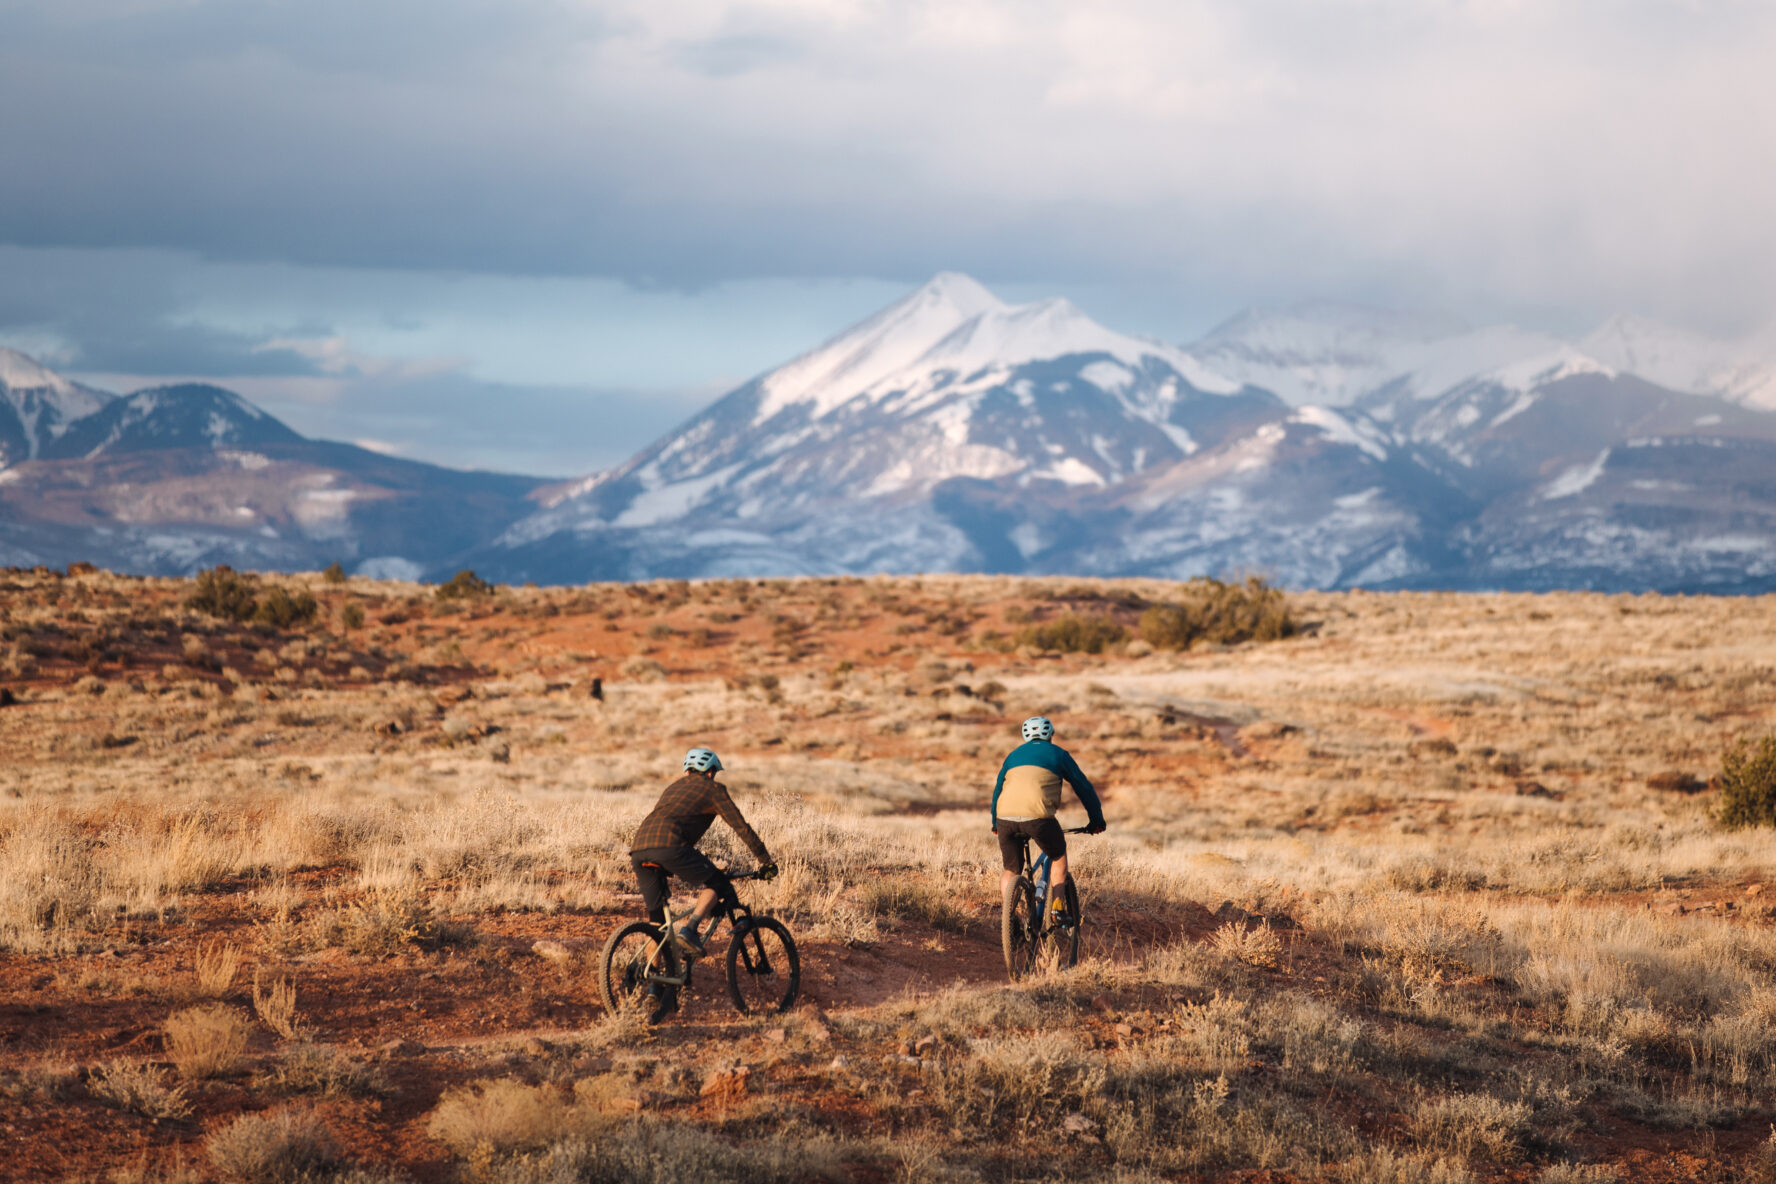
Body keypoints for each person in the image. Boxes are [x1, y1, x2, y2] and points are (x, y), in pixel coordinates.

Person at [629, 747, 777, 958]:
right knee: (718, 883)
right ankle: (690, 930)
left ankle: (655, 983)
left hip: (639, 849)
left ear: (688, 771)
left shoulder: (672, 788)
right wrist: (765, 860)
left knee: (657, 923)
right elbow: (740, 827)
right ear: (710, 772)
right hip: (670, 847)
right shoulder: (713, 789)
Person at [991, 716, 1105, 927]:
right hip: (1038, 817)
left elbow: (998, 789)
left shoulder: (1013, 755)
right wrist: (1096, 820)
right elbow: (1083, 787)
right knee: (1058, 854)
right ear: (1051, 735)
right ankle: (1058, 907)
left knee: (1011, 869)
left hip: (1005, 817)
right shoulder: (1059, 754)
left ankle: (1010, 919)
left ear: (1025, 736)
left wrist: (995, 824)